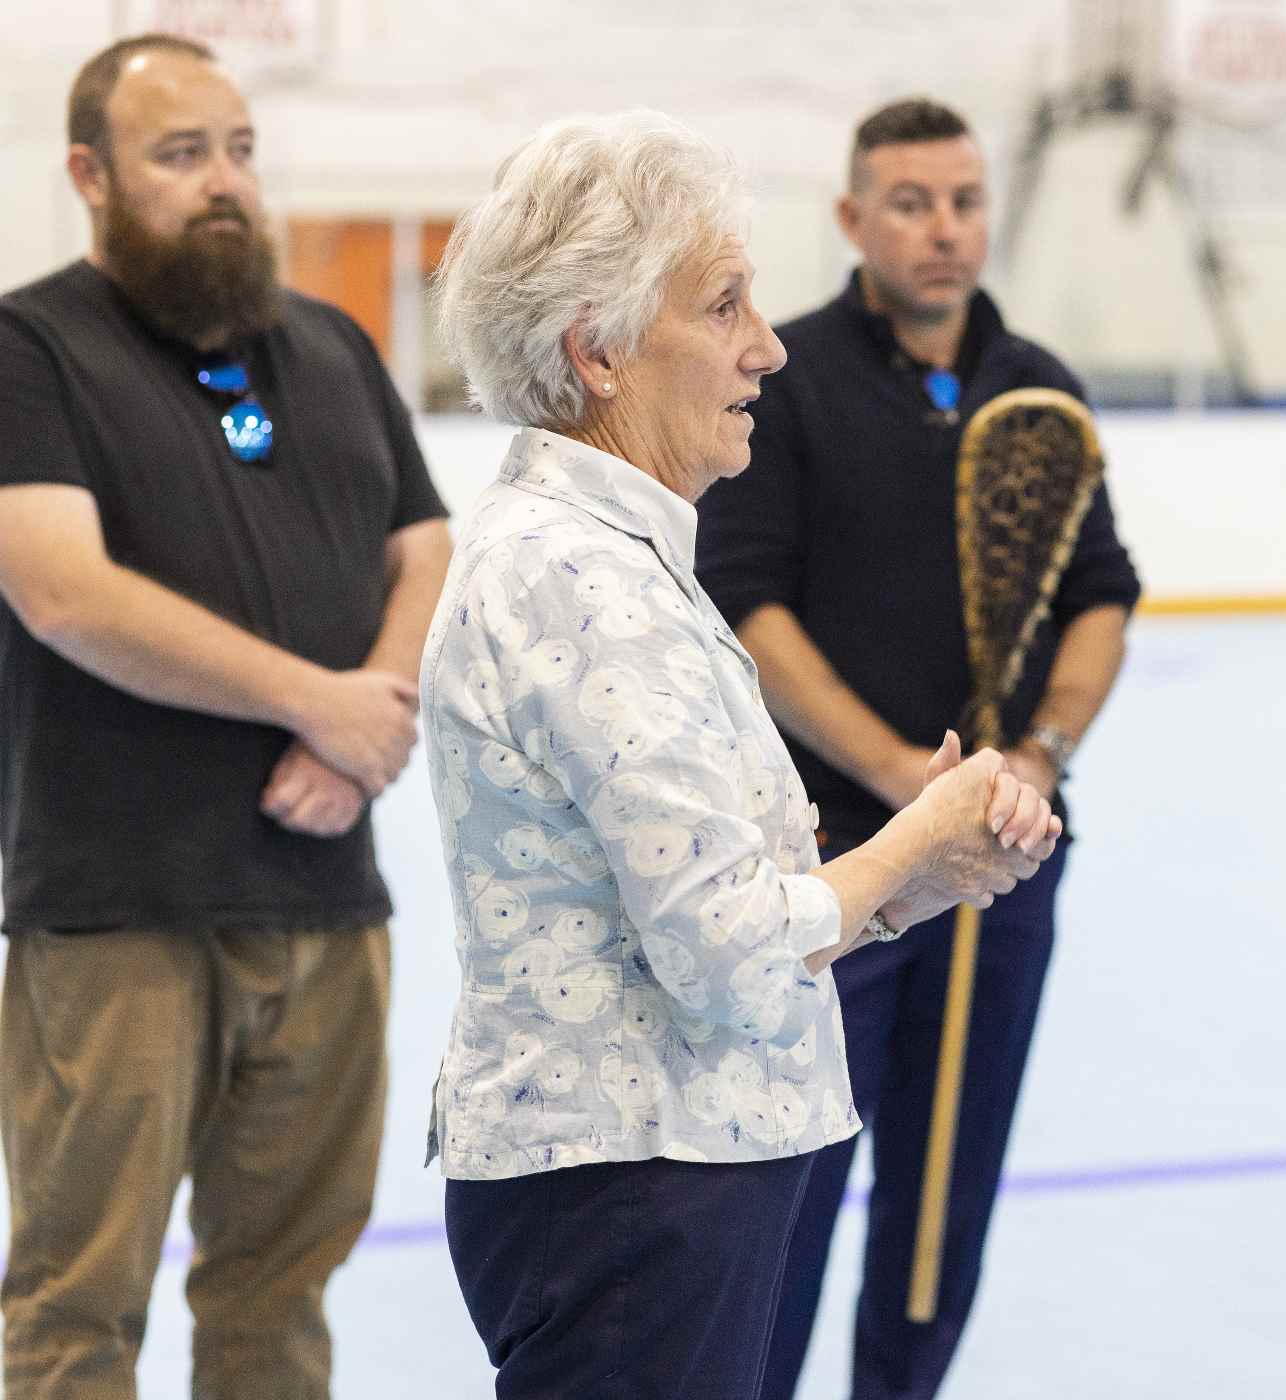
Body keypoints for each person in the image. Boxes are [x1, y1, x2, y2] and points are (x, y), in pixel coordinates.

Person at [424, 109, 1063, 1400]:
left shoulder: (616, 554)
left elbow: (710, 898)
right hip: (634, 1180)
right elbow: (722, 948)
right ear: (597, 351)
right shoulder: (578, 580)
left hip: (658, 1168)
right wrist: (912, 838)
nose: (766, 346)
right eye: (723, 306)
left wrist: (915, 881)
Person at [0, 34, 451, 1400]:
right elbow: (63, 592)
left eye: (240, 151)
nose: (223, 182)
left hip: (323, 900)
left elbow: (426, 547)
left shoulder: (331, 344)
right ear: (91, 175)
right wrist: (319, 703)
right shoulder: (30, 348)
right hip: (121, 907)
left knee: (280, 1297)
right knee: (80, 1306)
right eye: (181, 154)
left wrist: (363, 729)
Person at [694, 97, 1140, 1399]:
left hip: (1002, 866)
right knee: (791, 1186)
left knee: (947, 1197)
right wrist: (902, 782)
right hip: (827, 865)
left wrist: (1038, 758)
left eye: (963, 200)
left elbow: (1100, 593)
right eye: (909, 202)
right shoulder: (786, 375)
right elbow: (749, 603)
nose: (943, 228)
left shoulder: (1038, 383)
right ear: (853, 217)